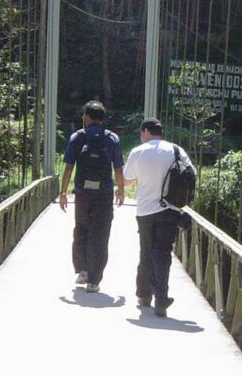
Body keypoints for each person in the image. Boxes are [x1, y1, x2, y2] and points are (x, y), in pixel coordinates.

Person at [121, 117, 193, 317]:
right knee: (162, 254)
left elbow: (126, 181)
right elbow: (190, 175)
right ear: (160, 132)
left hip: (145, 211)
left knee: (146, 251)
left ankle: (144, 294)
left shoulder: (138, 152)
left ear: (145, 131)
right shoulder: (177, 151)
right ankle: (161, 298)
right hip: (170, 210)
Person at [58, 101, 125, 292]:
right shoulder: (112, 138)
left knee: (81, 229)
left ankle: (82, 271)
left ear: (86, 117)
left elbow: (69, 167)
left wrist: (63, 193)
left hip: (82, 193)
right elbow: (118, 168)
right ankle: (94, 281)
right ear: (102, 118)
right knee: (101, 234)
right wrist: (120, 190)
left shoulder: (77, 137)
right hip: (104, 194)